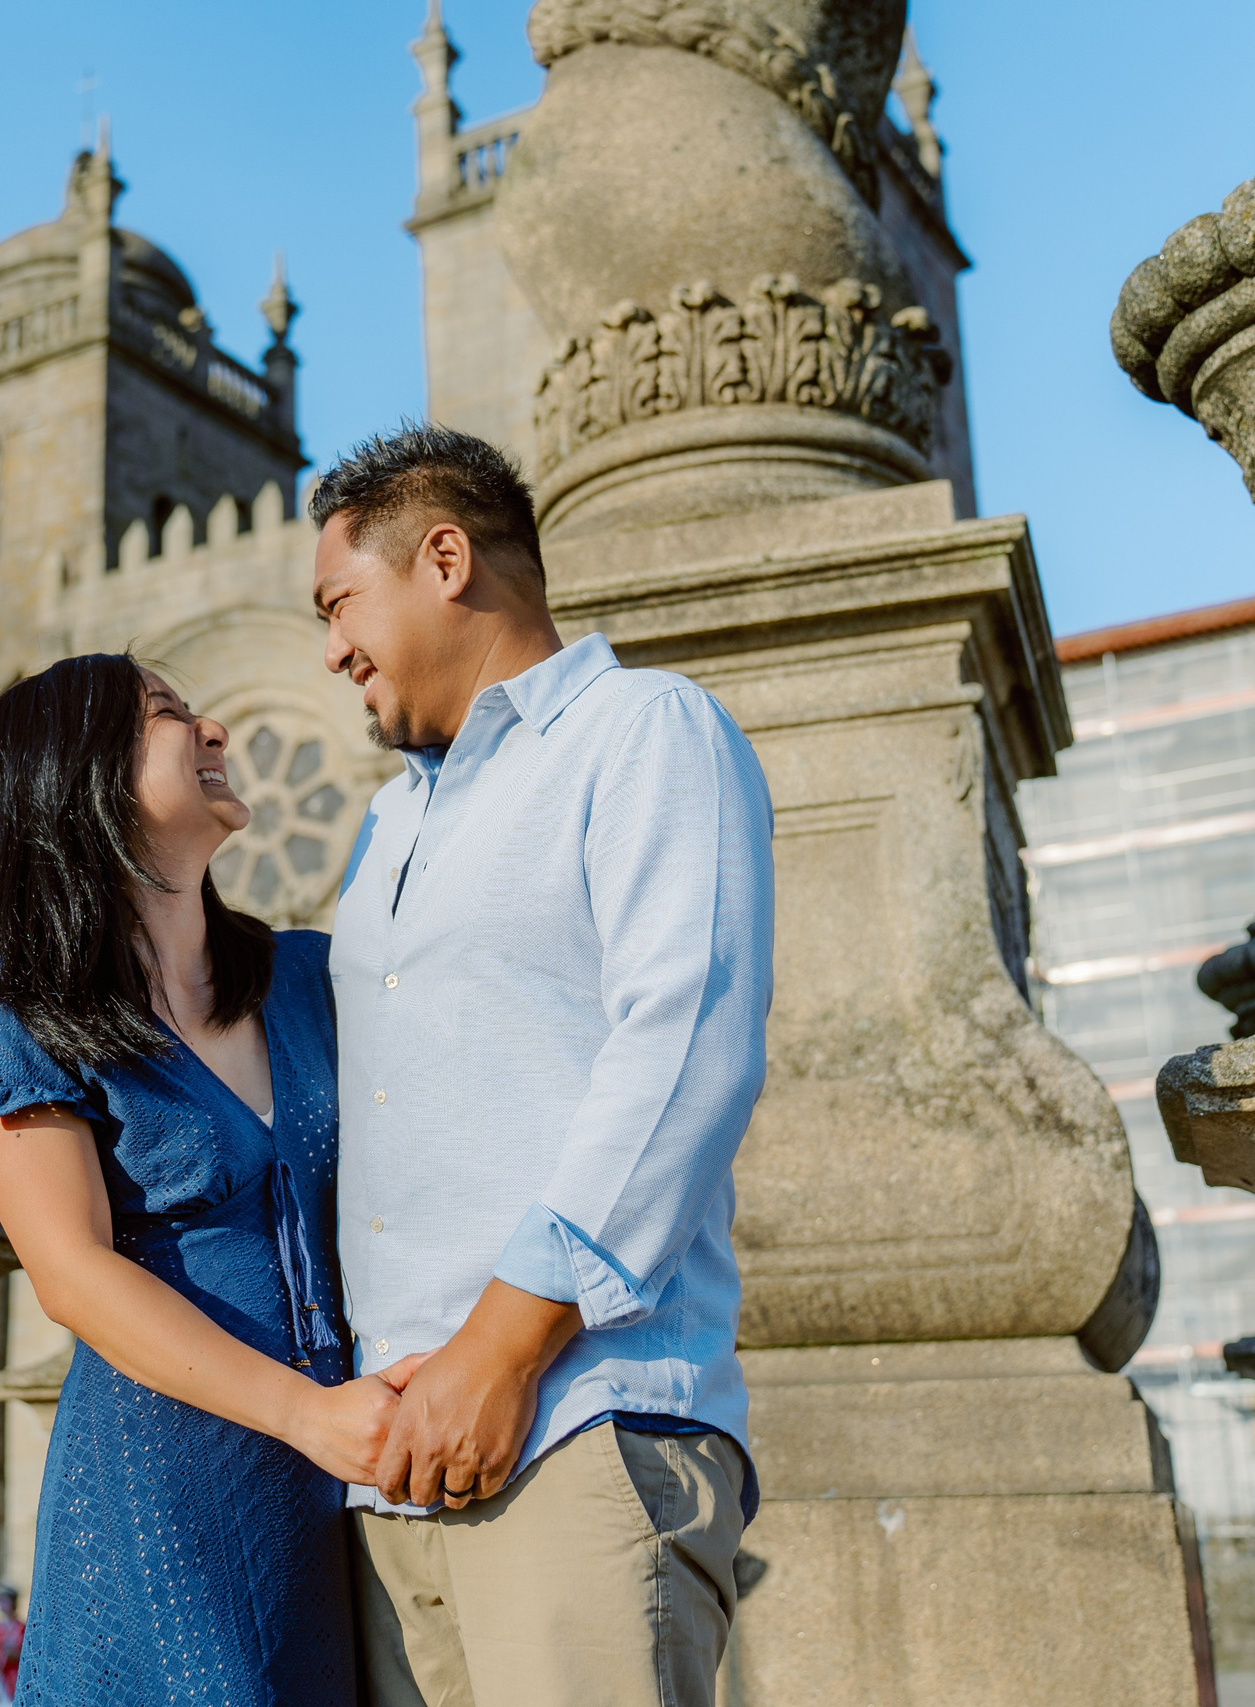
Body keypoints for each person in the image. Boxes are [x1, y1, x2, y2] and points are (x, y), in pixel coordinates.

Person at [310, 423, 777, 1707]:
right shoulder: (390, 819)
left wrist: (502, 1351)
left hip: (579, 1418)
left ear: (445, 559)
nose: (332, 648)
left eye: (342, 601)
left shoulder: (642, 731)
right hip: (397, 1466)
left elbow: (684, 1049)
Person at [0, 654, 417, 1706]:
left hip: (362, 1471)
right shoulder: (21, 1004)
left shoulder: (307, 978)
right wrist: (307, 1415)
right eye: (168, 716)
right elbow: (70, 1274)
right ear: (81, 777)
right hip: (166, 1484)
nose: (215, 731)